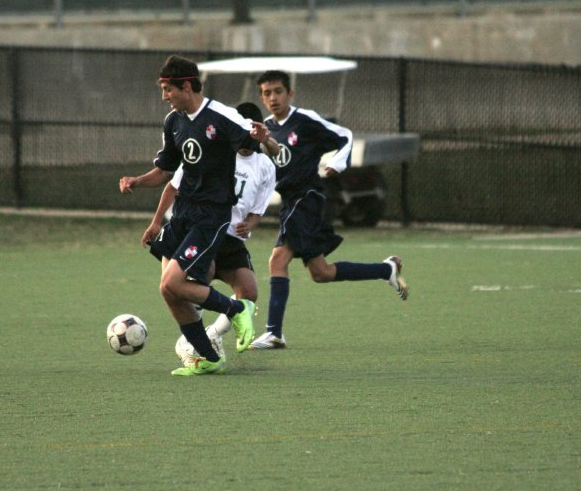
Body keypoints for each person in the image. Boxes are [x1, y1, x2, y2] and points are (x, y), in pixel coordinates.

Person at [119, 56, 279, 375]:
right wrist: (138, 181)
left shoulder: (221, 115)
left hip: (211, 215)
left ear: (187, 86)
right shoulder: (173, 121)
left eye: (168, 89)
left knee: (175, 281)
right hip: (183, 214)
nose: (164, 96)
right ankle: (208, 358)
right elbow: (165, 171)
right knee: (168, 290)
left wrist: (267, 140)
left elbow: (268, 148)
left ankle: (235, 309)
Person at [249, 70, 409, 350]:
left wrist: (338, 162)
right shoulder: (266, 129)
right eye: (266, 93)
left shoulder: (305, 120)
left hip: (307, 197)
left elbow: (344, 135)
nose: (272, 98)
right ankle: (386, 270)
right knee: (321, 272)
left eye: (277, 91)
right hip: (290, 202)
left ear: (290, 94)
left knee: (277, 261)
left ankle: (274, 333)